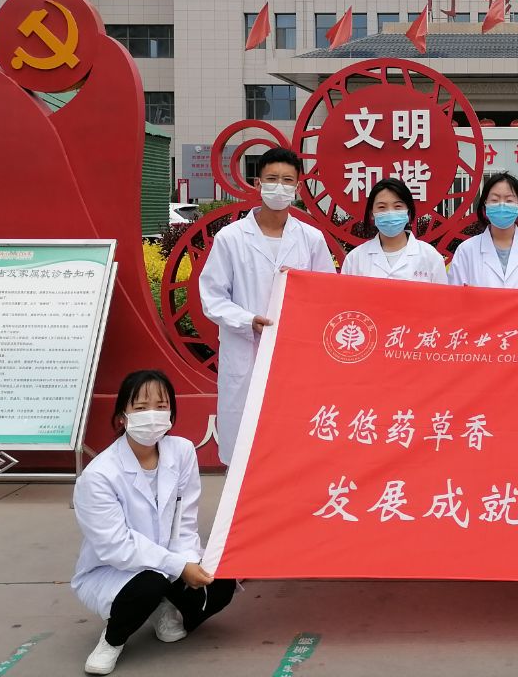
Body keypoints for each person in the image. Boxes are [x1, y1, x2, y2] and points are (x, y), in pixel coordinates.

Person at [72, 370, 236, 675]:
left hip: (170, 558)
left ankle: (164, 607)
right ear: (122, 417)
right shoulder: (98, 476)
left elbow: (185, 519)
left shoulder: (181, 451)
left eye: (161, 406)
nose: (152, 415)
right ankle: (112, 639)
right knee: (150, 583)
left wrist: (188, 562)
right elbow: (116, 547)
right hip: (115, 569)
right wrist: (179, 567)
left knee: (221, 582)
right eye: (141, 407)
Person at [199, 147, 335, 464]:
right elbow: (212, 296)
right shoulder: (231, 238)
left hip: (294, 351)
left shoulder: (311, 239)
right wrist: (247, 320)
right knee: (244, 444)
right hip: (245, 349)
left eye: (287, 180)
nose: (279, 186)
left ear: (297, 188)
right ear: (258, 183)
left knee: (291, 442)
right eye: (272, 179)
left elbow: (326, 294)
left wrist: (302, 290)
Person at [448, 172, 518, 289]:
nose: (502, 206)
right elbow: (454, 294)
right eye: (494, 200)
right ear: (485, 205)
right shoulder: (466, 250)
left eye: (509, 200)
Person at [341, 177, 448, 283]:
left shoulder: (430, 257)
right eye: (382, 207)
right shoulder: (355, 259)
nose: (390, 213)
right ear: (372, 213)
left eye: (397, 206)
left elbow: (442, 294)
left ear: (408, 212)